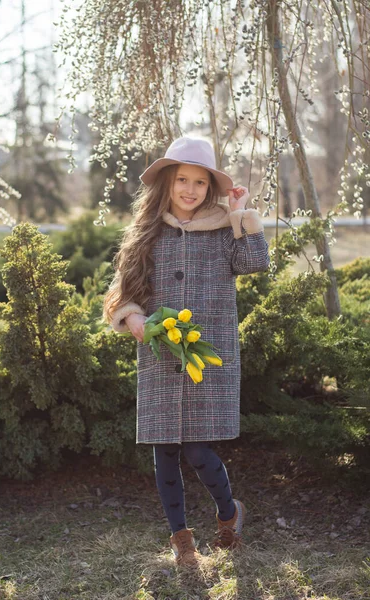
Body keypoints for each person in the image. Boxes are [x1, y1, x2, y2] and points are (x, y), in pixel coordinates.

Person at [103, 136, 270, 568]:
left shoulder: (221, 229)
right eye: (182, 180)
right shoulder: (147, 231)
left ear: (209, 186)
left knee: (197, 450)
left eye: (199, 181)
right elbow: (123, 289)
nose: (190, 189)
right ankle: (182, 540)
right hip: (160, 356)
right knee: (165, 451)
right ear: (167, 182)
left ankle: (229, 513)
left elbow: (254, 262)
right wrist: (134, 318)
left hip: (206, 358)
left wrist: (239, 215)